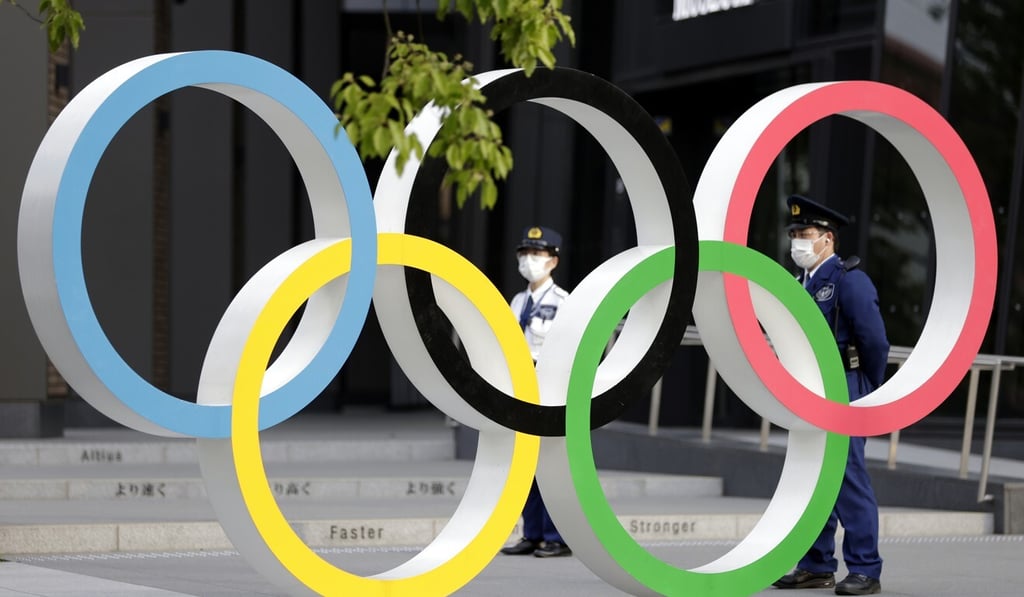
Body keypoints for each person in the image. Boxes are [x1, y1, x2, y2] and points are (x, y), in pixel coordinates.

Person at [773, 195, 888, 595]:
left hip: (842, 386)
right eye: (794, 235)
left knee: (847, 477)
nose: (797, 242)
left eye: (804, 234)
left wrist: (864, 387)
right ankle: (817, 563)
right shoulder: (795, 284)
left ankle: (865, 568)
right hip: (806, 390)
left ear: (827, 239)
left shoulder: (847, 279)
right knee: (811, 476)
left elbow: (874, 341)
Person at [499, 225, 572, 558]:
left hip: (549, 388)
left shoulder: (563, 302)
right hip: (521, 389)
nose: (529, 260)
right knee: (526, 464)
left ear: (553, 261)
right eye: (525, 254)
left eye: (538, 254)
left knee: (551, 465)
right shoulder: (517, 300)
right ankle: (531, 532)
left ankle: (555, 535)